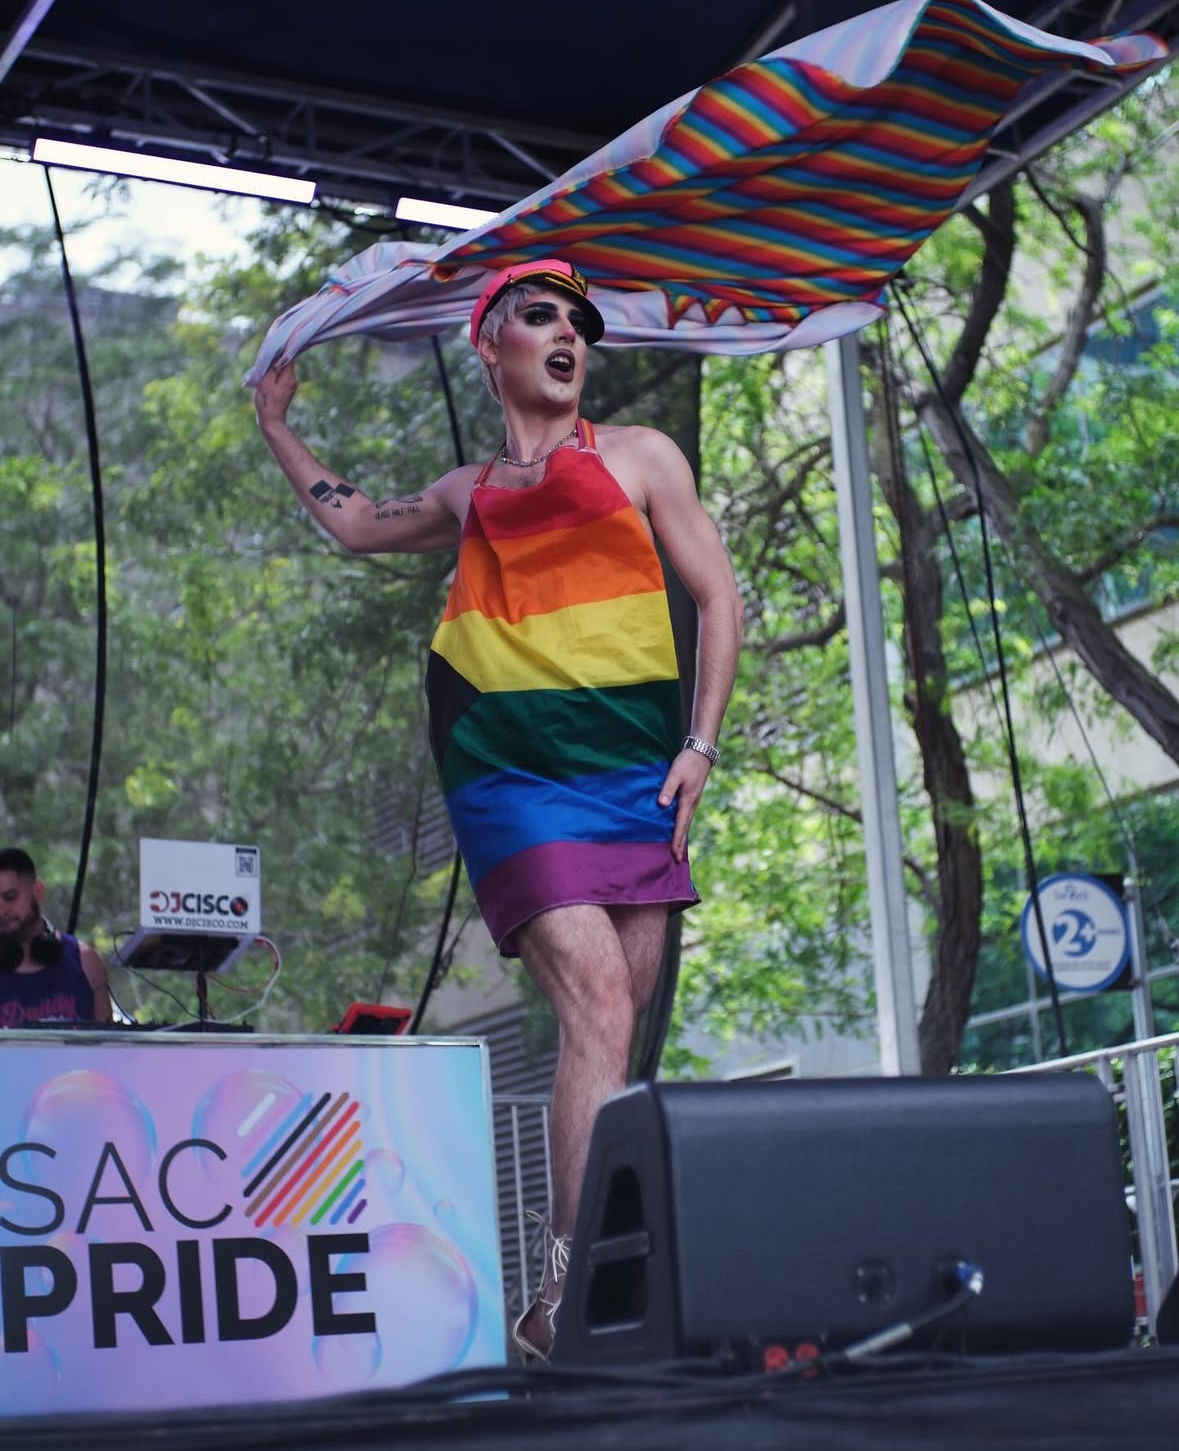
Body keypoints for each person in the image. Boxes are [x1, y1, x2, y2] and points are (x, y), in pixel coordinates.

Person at [254, 257, 742, 1357]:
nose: (566, 331)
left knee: (609, 1033)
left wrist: (700, 744)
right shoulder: (470, 493)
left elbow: (717, 595)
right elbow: (360, 525)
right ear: (491, 345)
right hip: (511, 772)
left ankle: (579, 1296)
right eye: (539, 314)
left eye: (578, 320)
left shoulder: (642, 456)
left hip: (634, 768)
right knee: (603, 1002)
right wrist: (280, 428)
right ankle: (573, 1299)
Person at [0, 848, 113, 1027]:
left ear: (37, 892)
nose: (1, 910)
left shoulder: (86, 960)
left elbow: (108, 1049)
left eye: (10, 897)